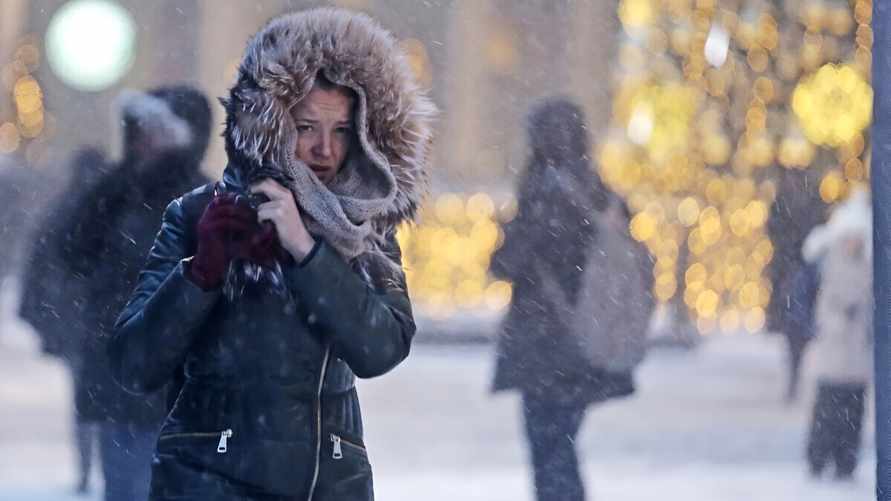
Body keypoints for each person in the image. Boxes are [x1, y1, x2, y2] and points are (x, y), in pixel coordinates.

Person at [108, 8, 435, 500]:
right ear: (272, 122)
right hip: (207, 480)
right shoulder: (202, 215)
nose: (324, 148)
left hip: (328, 482)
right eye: (307, 127)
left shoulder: (362, 224)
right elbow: (135, 363)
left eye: (341, 130)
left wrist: (307, 252)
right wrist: (201, 273)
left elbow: (381, 349)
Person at [21, 85, 213, 501]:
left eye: (154, 130)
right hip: (121, 375)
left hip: (182, 385)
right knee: (126, 487)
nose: (144, 139)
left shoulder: (205, 200)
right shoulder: (116, 190)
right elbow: (70, 249)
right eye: (139, 129)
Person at [489, 97, 650, 501]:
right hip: (587, 338)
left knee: (550, 453)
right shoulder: (601, 194)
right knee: (561, 446)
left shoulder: (546, 192)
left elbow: (509, 262)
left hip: (548, 344)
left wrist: (508, 236)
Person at [18, 146, 109, 495]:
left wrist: (43, 319)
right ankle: (105, 464)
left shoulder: (62, 211)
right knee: (114, 400)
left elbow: (39, 269)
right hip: (103, 321)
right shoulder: (112, 207)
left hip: (75, 322)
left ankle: (87, 468)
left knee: (84, 400)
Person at [802, 188, 873, 480]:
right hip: (832, 353)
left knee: (851, 413)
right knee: (827, 412)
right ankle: (819, 458)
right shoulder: (828, 263)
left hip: (856, 356)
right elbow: (818, 304)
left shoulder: (868, 267)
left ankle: (845, 461)